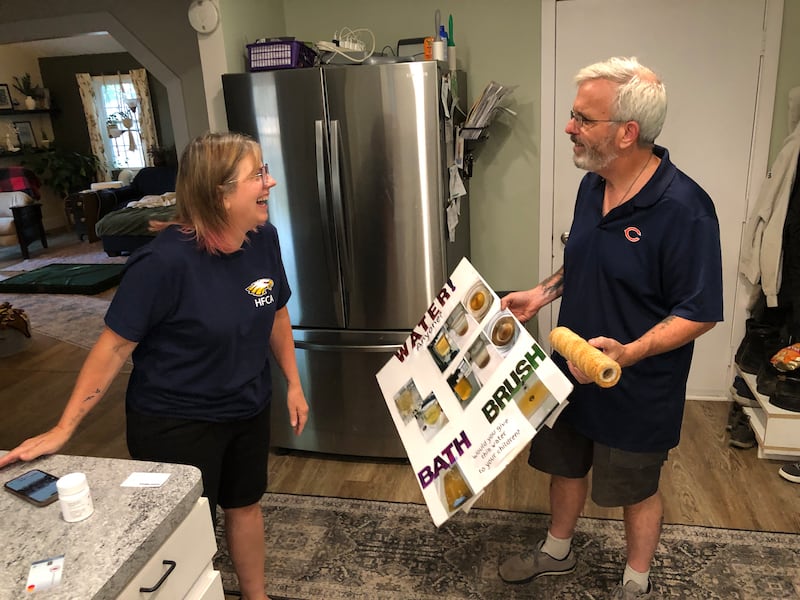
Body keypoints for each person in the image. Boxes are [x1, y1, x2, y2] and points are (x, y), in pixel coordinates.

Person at [0, 132, 309, 600]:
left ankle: (255, 596)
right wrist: (64, 428)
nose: (271, 181)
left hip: (246, 405)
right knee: (183, 531)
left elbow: (277, 312)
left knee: (245, 504)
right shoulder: (162, 263)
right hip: (175, 422)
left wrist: (293, 383)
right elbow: (112, 349)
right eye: (258, 175)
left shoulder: (262, 239)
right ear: (220, 194)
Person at [497, 57, 723, 599]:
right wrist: (542, 292)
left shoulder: (686, 210)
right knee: (565, 466)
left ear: (627, 133)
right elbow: (582, 259)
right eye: (574, 115)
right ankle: (557, 551)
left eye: (583, 118)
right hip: (569, 369)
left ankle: (636, 582)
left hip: (636, 383)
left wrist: (629, 353)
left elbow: (700, 312)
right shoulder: (592, 185)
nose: (570, 127)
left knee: (635, 488)